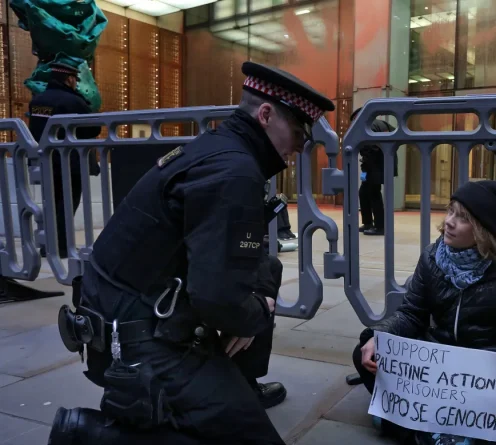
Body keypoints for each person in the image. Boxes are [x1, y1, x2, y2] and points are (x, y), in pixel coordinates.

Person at [49, 62, 334, 444]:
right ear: (265, 115)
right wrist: (256, 312)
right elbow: (216, 299)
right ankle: (88, 435)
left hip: (122, 313)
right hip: (139, 338)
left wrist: (255, 301)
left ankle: (234, 388)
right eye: (298, 132)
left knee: (265, 274)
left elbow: (245, 256)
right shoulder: (235, 171)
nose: (300, 146)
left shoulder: (218, 150)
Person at [352, 180, 496, 445]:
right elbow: (411, 314)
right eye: (450, 211)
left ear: (483, 229)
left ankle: (409, 425)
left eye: (463, 218)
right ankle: (443, 430)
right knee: (365, 352)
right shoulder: (432, 257)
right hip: (434, 368)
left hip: (480, 374)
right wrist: (379, 336)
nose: (449, 222)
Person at [28, 62, 101, 258]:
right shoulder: (73, 101)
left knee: (51, 203)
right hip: (70, 162)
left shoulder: (38, 101)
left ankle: (48, 245)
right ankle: (62, 247)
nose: (76, 83)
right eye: (75, 79)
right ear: (69, 79)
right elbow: (93, 128)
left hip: (45, 160)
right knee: (67, 205)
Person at [352, 107, 397, 236]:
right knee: (364, 192)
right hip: (383, 164)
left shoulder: (368, 125)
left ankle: (380, 226)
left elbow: (370, 148)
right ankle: (368, 223)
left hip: (374, 166)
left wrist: (365, 160)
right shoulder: (382, 124)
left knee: (374, 194)